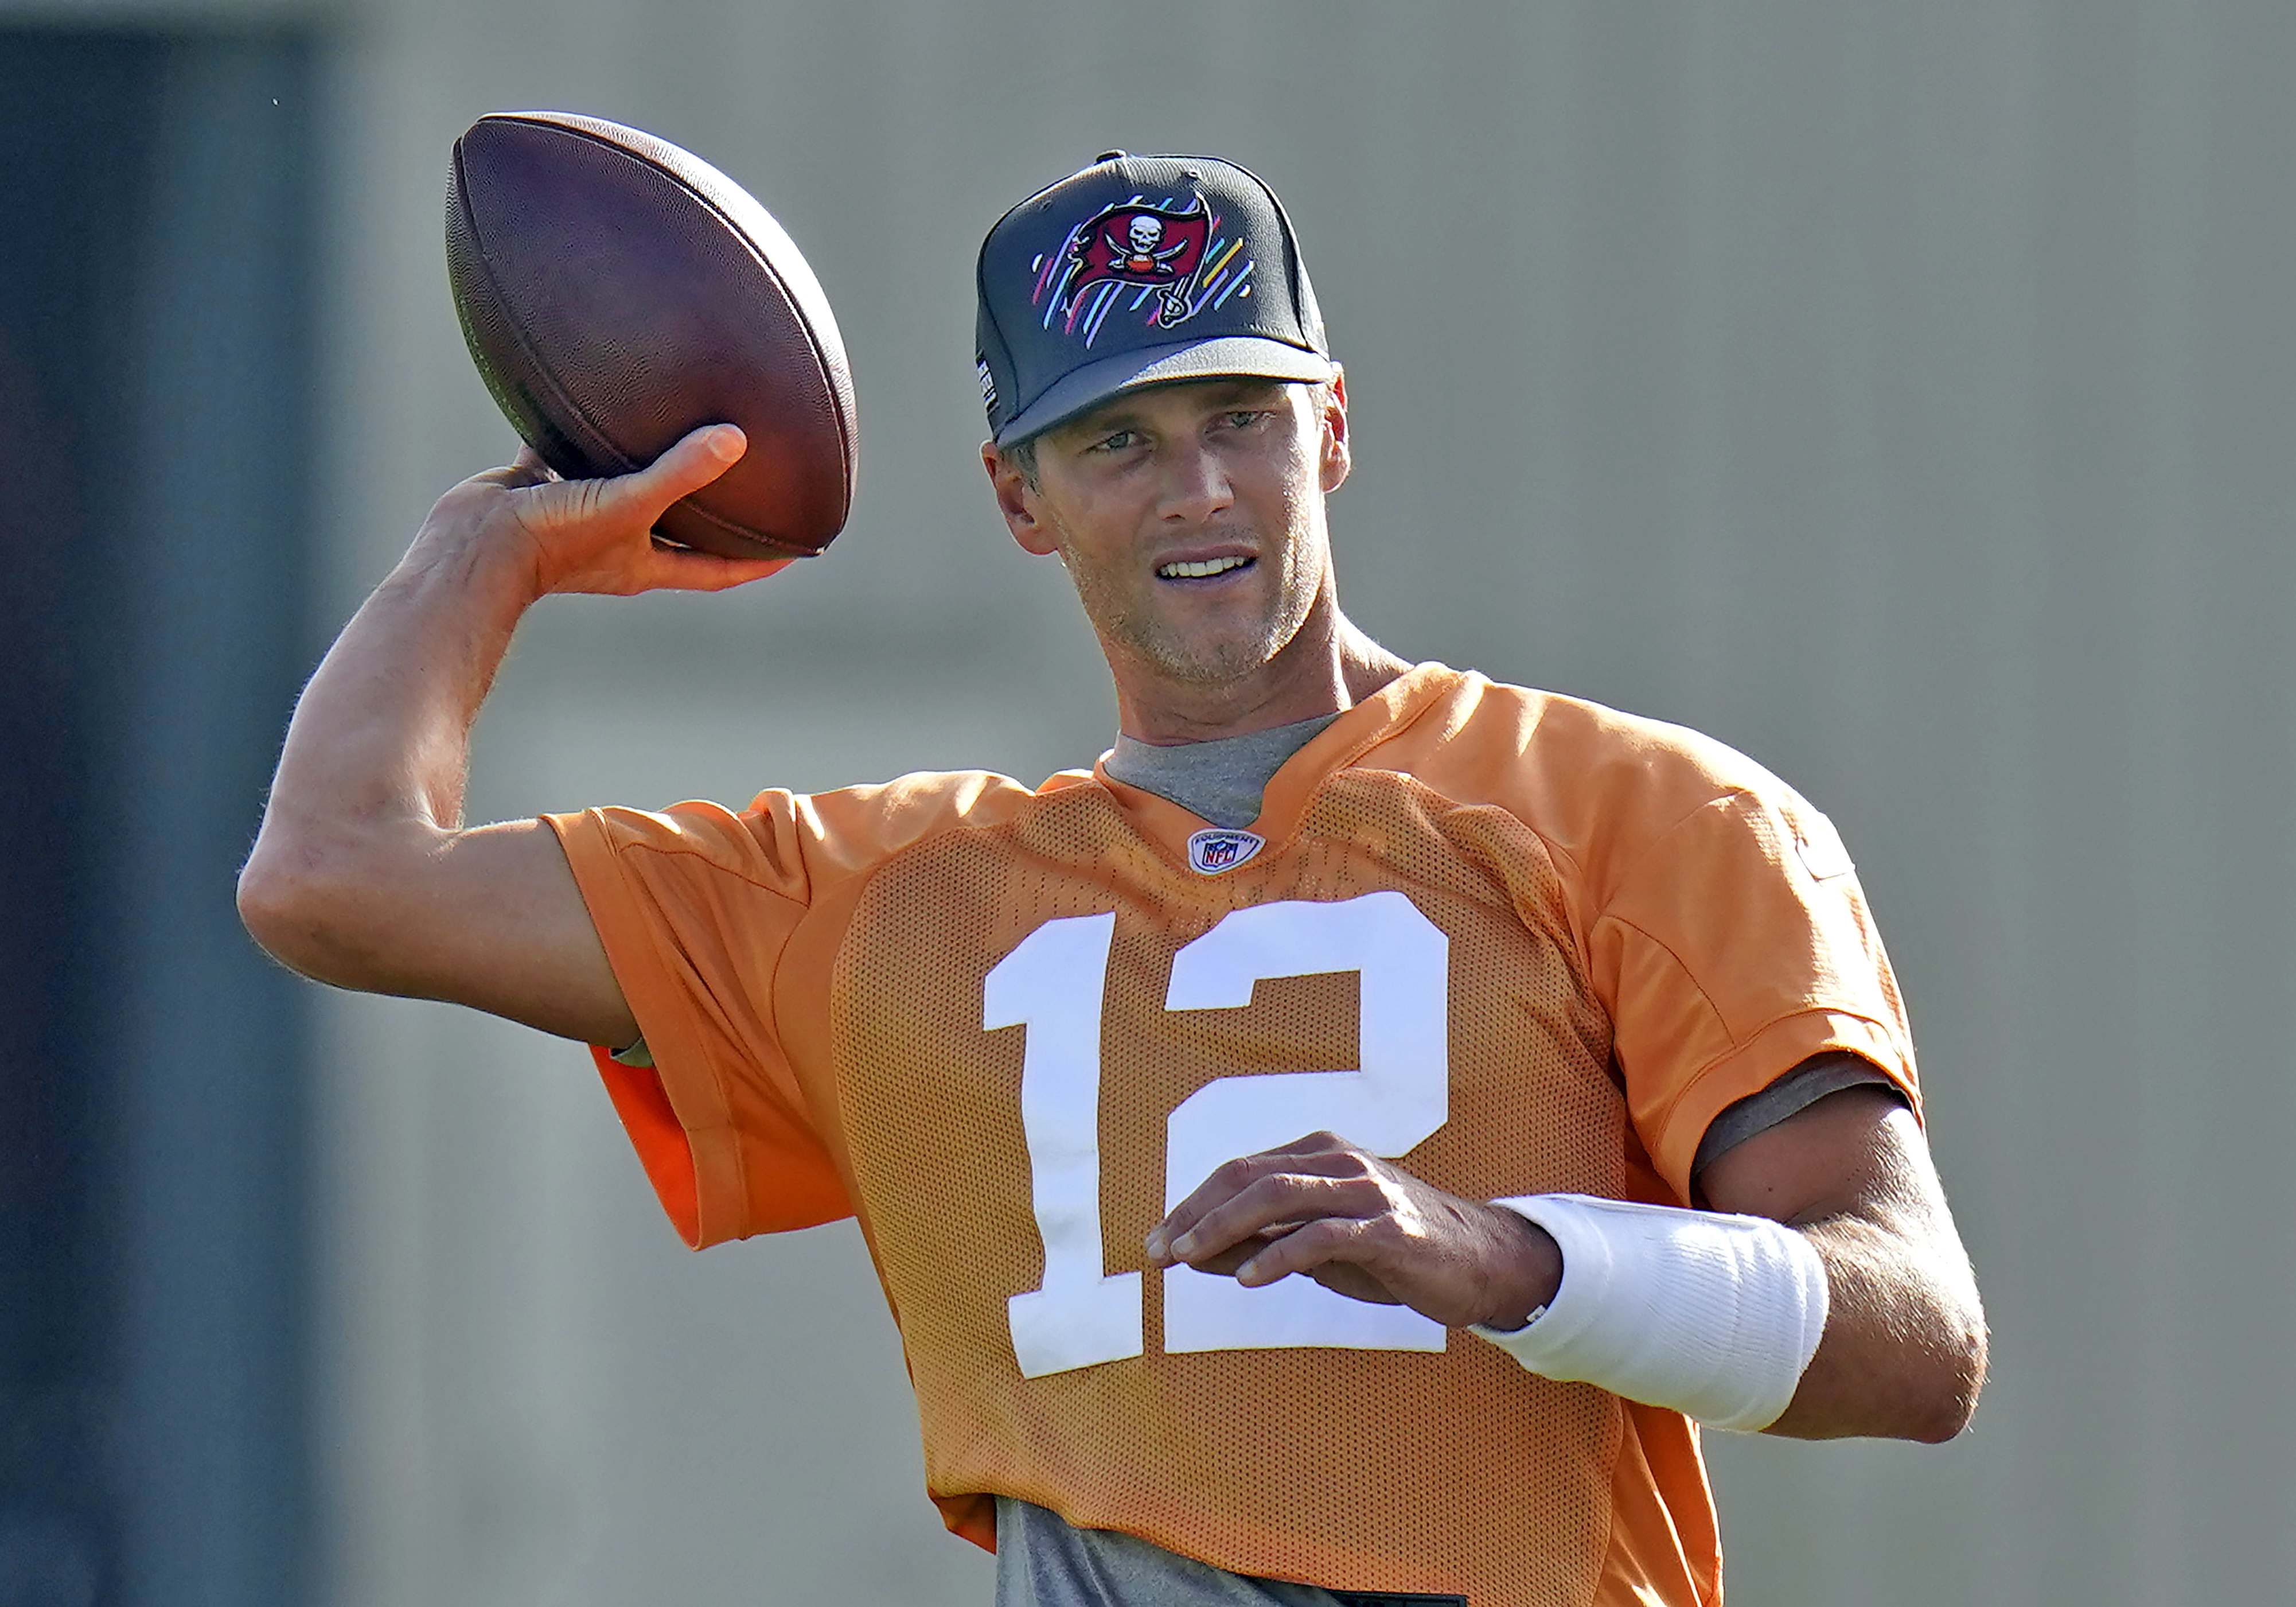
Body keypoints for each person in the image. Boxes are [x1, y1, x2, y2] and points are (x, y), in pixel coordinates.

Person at [239, 151, 1986, 1607]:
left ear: (1336, 427)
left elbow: (1916, 1339)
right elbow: (336, 872)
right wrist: (484, 552)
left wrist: (1510, 1253)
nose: (1198, 487)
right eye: (1120, 441)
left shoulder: (1643, 810)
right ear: (1019, 496)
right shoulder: (890, 891)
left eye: (1242, 414)